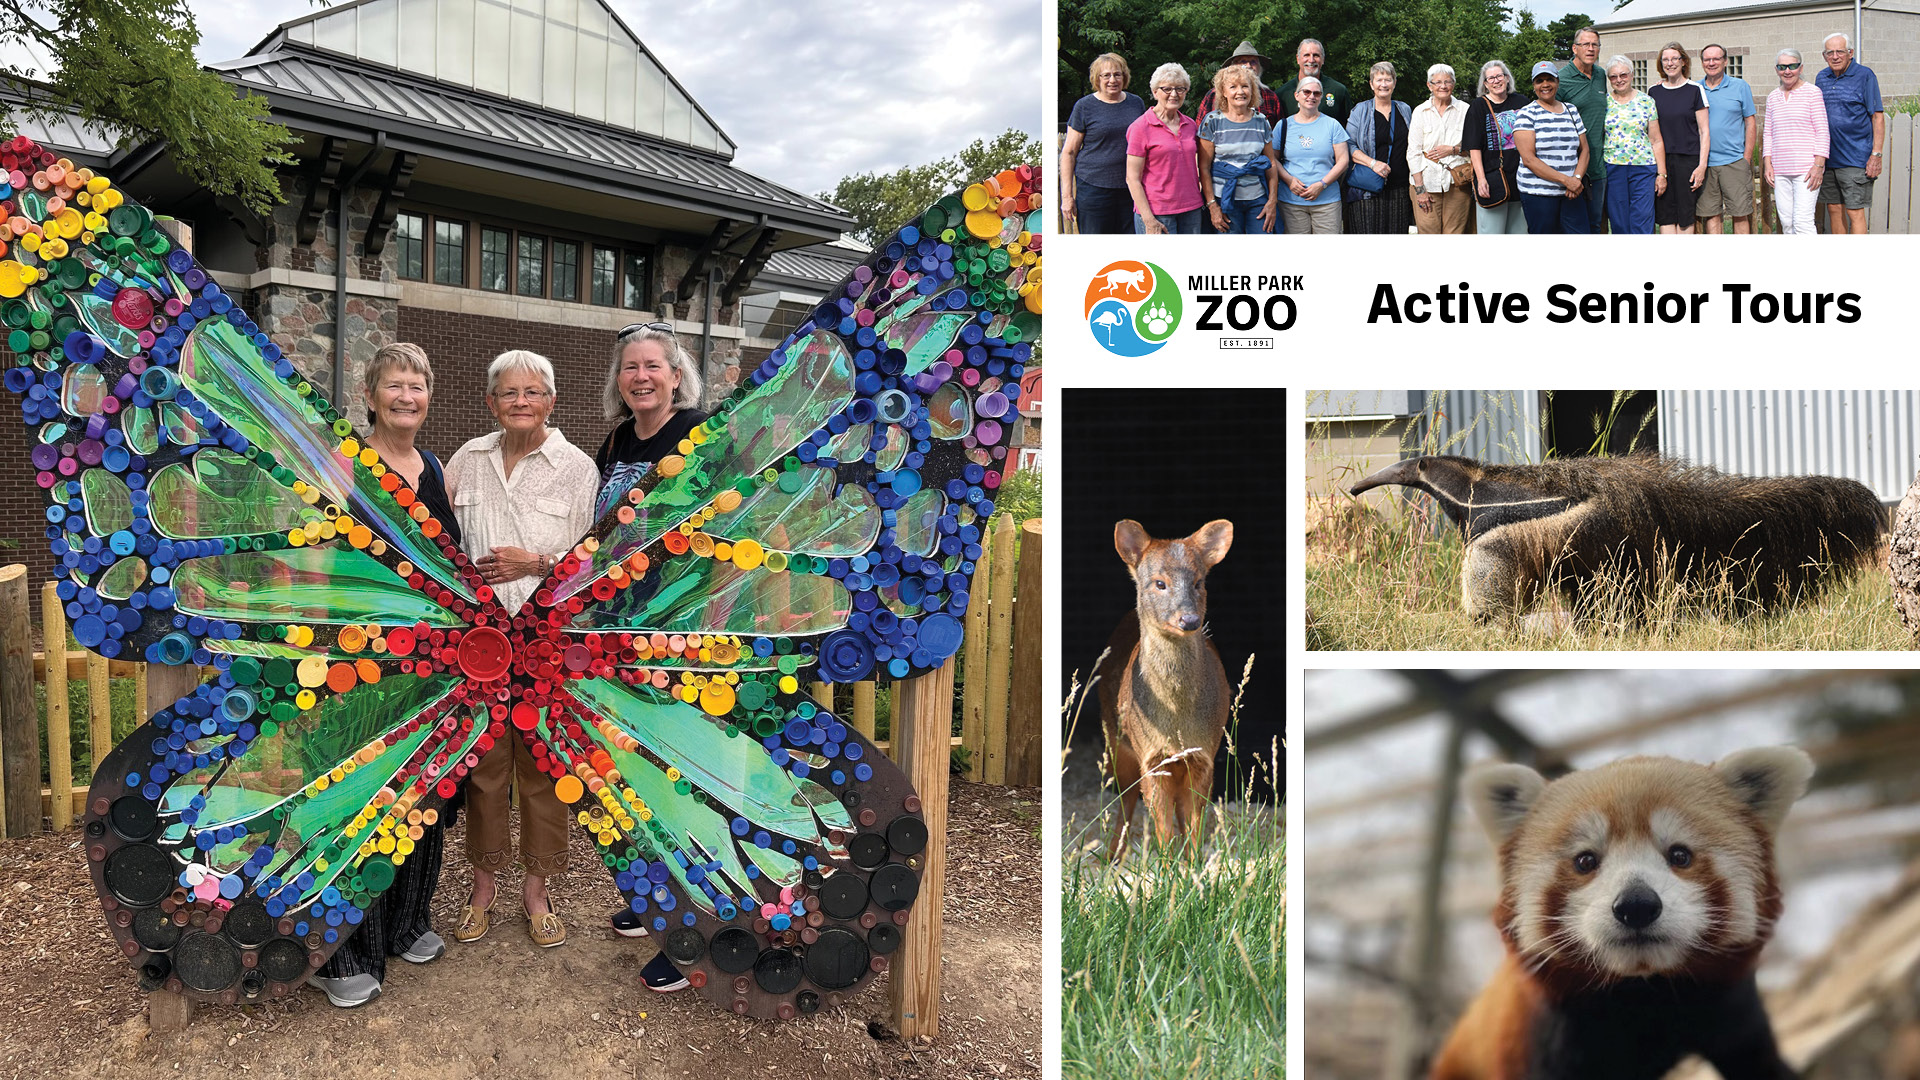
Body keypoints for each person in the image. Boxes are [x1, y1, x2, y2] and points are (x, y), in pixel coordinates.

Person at [306, 343, 460, 1009]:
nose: (406, 397)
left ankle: (406, 921)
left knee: (423, 787)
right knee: (360, 794)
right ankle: (342, 950)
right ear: (369, 397)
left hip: (430, 662)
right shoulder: (344, 462)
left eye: (417, 387)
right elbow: (313, 556)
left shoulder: (433, 466)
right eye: (394, 386)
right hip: (357, 657)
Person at [444, 350, 598, 951]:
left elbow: (594, 559)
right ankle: (483, 887)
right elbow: (439, 538)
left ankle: (538, 890)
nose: (521, 402)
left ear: (552, 402)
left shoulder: (577, 468)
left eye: (533, 392)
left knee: (543, 765)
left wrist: (535, 564)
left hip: (546, 642)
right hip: (478, 641)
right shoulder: (466, 461)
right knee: (483, 765)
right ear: (491, 403)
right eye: (509, 393)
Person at [592, 324, 709, 993]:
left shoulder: (698, 432)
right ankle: (654, 903)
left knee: (675, 781)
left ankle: (689, 934)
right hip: (616, 629)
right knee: (634, 773)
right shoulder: (615, 441)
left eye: (653, 367)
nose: (641, 377)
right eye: (631, 368)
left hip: (674, 630)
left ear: (675, 374)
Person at [1062, 54, 1148, 235]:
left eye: (1117, 74)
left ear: (1124, 77)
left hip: (1131, 189)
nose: (1112, 80)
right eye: (1106, 75)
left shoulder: (1136, 103)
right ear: (1097, 79)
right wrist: (1067, 196)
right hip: (1094, 190)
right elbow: (1069, 153)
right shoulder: (1084, 106)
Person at [1814, 32, 1883, 234]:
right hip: (1828, 158)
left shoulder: (1865, 75)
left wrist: (1876, 154)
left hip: (1855, 158)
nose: (1835, 56)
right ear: (1824, 55)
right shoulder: (1821, 77)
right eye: (1830, 52)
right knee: (1834, 209)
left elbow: (1877, 116)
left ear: (1850, 53)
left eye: (1840, 52)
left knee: (1855, 211)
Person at [1124, 63, 1205, 234]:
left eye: (1180, 89)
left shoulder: (1190, 125)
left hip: (1191, 209)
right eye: (1167, 89)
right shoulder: (1140, 127)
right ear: (1155, 92)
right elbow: (1132, 179)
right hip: (1157, 212)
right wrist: (1148, 219)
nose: (1174, 94)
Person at [1199, 63, 1280, 233]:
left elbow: (1271, 163)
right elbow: (1204, 167)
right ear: (1224, 92)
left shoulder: (1261, 121)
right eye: (1233, 87)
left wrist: (1272, 201)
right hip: (1224, 200)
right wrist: (1212, 205)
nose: (1240, 92)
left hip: (1257, 199)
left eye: (1245, 86)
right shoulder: (1212, 121)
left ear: (1253, 90)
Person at [1514, 61, 1592, 234]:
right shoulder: (1526, 114)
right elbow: (1529, 159)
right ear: (1534, 85)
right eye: (1539, 80)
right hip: (1538, 194)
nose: (1545, 84)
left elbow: (1584, 150)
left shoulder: (1571, 110)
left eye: (1550, 79)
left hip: (1572, 193)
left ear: (1557, 82)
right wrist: (1566, 181)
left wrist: (1577, 179)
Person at [1272, 75, 1350, 233]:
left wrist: (1322, 184)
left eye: (1317, 93)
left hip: (1327, 202)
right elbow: (1272, 158)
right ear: (1297, 95)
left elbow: (1343, 160)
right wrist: (1289, 180)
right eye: (1306, 92)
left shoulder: (1332, 125)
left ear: (1321, 97)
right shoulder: (1283, 125)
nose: (1311, 96)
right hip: (1291, 202)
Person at [1345, 61, 1414, 234]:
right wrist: (1372, 163)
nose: (1384, 84)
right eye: (1379, 80)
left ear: (1394, 83)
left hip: (1399, 187)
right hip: (1367, 188)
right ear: (1371, 84)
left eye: (1388, 79)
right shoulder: (1360, 110)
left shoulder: (1404, 109)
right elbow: (1348, 144)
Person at [1764, 48, 1828, 234]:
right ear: (1776, 69)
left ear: (1800, 68)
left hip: (1806, 170)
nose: (1787, 71)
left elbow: (1822, 131)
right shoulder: (1773, 97)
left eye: (1792, 66)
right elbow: (1768, 133)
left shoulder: (1812, 93)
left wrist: (1818, 165)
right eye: (1782, 67)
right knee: (1787, 222)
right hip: (1780, 170)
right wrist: (1768, 164)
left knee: (1802, 222)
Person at [1647, 43, 1709, 234]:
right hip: (1661, 162)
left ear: (1683, 62)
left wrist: (1701, 166)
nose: (1670, 63)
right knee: (1665, 214)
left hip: (1687, 161)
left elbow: (1704, 131)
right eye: (1665, 59)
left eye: (1674, 59)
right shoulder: (1653, 92)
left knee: (1684, 216)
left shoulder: (1695, 89)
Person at [1601, 55, 1664, 235]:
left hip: (1643, 167)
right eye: (1613, 76)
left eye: (1623, 75)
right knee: (1619, 221)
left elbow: (1656, 140)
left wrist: (1661, 174)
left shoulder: (1646, 101)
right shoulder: (1603, 103)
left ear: (1632, 75)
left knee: (1642, 219)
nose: (1619, 80)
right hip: (1614, 167)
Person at [1698, 43, 1757, 234]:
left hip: (1734, 161)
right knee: (1712, 214)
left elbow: (1750, 122)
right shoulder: (1695, 88)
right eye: (1707, 59)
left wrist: (1746, 157)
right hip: (1705, 163)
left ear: (1725, 61)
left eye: (1716, 58)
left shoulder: (1740, 87)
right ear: (1702, 63)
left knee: (1740, 213)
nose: (1711, 62)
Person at [1407, 64, 1472, 233]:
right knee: (1428, 232)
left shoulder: (1466, 110)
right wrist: (1420, 189)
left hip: (1458, 183)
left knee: (1455, 233)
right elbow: (1413, 152)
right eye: (1437, 82)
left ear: (1454, 84)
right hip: (1426, 183)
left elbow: (1475, 147)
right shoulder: (1420, 111)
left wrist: (1452, 150)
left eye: (1447, 82)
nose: (1443, 86)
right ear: (1429, 85)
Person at [1558, 27, 1610, 231]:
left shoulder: (1600, 75)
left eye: (1595, 45)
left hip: (1598, 166)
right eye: (1585, 44)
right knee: (1573, 225)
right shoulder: (1561, 79)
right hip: (1571, 167)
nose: (1590, 49)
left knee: (1597, 222)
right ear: (1574, 48)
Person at [1465, 60, 1526, 234]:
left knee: (1520, 232)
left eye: (1499, 76)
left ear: (1507, 78)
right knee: (1491, 232)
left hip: (1521, 179)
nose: (1496, 81)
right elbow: (1474, 147)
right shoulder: (1478, 106)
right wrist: (1481, 179)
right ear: (1485, 84)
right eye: (1490, 78)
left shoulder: (1522, 101)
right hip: (1493, 181)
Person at [1190, 40, 1286, 129]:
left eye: (1253, 62)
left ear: (1259, 67)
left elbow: (1278, 134)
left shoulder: (1270, 96)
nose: (1248, 66)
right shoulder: (1214, 94)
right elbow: (1200, 130)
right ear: (1233, 66)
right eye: (1243, 61)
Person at [1276, 38, 1353, 122]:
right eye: (1306, 55)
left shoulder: (1338, 91)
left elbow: (1349, 128)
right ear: (1298, 59)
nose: (1311, 60)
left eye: (1316, 55)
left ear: (1323, 59)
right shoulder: (1282, 94)